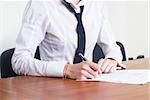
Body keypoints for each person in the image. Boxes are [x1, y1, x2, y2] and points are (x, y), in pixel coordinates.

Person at [12, 0, 125, 80]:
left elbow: (113, 47)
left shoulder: (97, 3)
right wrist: (66, 69)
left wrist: (112, 59)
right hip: (55, 88)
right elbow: (19, 61)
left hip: (89, 85)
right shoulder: (41, 4)